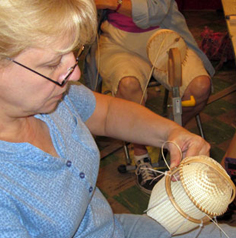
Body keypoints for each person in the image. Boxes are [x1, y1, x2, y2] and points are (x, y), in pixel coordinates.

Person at [0, 1, 236, 238]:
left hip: (111, 237)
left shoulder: (47, 98)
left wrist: (173, 135)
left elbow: (108, 112)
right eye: (52, 64)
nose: (73, 72)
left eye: (73, 53)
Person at [92, 0, 214, 194]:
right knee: (128, 85)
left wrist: (110, 3)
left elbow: (155, 11)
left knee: (199, 87)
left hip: (163, 33)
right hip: (116, 39)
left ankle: (167, 135)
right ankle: (141, 156)